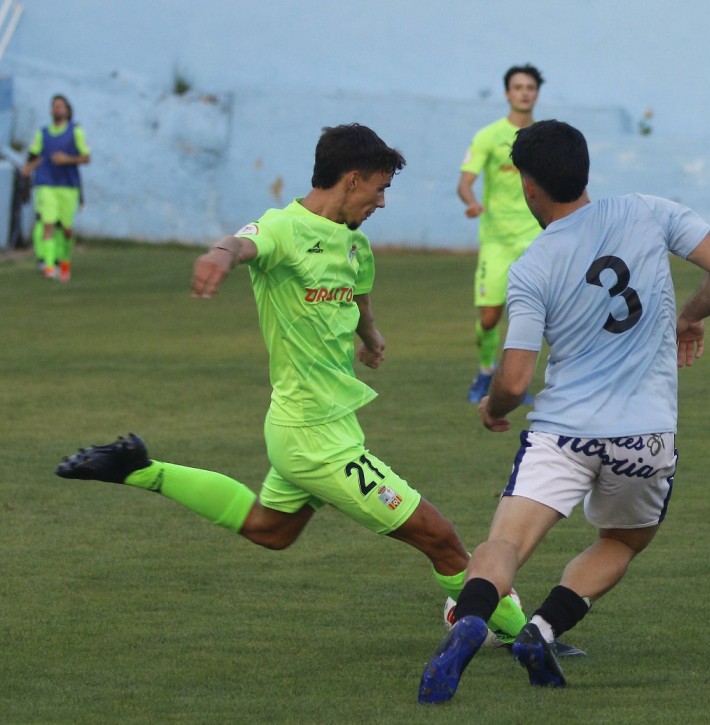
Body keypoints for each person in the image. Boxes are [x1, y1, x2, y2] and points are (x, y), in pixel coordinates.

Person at [54, 123, 527, 643]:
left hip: (315, 425)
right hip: (312, 436)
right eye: (381, 187)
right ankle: (525, 636)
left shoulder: (354, 243)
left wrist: (370, 337)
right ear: (352, 179)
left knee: (270, 530)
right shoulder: (283, 228)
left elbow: (359, 296)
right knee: (440, 538)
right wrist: (219, 254)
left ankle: (140, 469)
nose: (384, 201)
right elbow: (243, 244)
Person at [418, 120, 710, 703]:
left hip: (562, 434)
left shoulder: (533, 266)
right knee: (621, 542)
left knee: (506, 544)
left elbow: (516, 380)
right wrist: (688, 314)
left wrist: (494, 409)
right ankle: (542, 630)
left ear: (528, 185)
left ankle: (471, 619)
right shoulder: (646, 210)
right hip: (644, 436)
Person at [459, 63, 544, 404]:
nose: (524, 92)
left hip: (535, 237)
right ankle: (485, 372)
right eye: (518, 86)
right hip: (496, 239)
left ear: (536, 93)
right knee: (490, 316)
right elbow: (465, 182)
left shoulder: (543, 137)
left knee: (531, 315)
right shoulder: (488, 136)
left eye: (530, 87)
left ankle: (518, 383)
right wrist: (472, 202)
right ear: (507, 93)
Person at [21, 94, 90, 282]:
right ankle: (49, 267)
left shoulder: (75, 131)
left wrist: (67, 159)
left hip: (68, 186)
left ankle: (64, 262)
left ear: (67, 110)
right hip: (46, 183)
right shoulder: (42, 133)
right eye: (54, 106)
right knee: (47, 223)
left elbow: (86, 157)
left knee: (67, 229)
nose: (57, 109)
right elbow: (37, 155)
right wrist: (29, 167)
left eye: (60, 106)